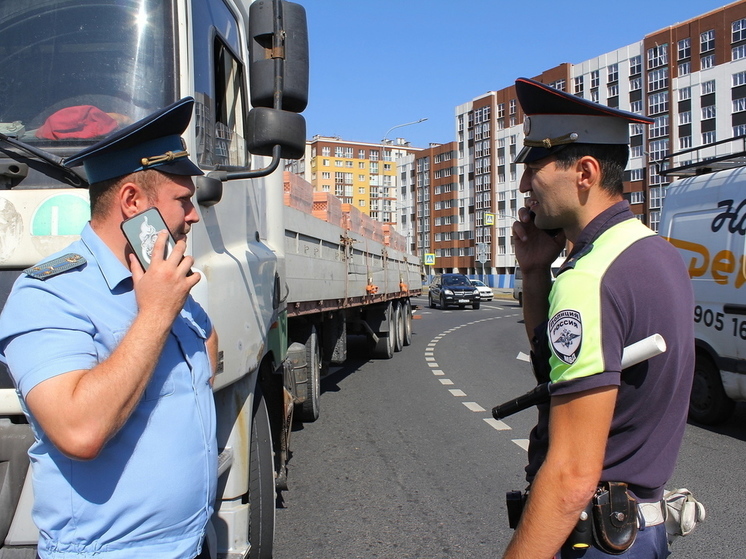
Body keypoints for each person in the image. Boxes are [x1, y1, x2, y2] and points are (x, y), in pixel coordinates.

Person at [0, 97, 218, 558]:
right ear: (133, 202)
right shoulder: (48, 294)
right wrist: (156, 313)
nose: (194, 215)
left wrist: (167, 299)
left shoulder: (162, 278)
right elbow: (80, 431)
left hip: (189, 543)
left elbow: (206, 365)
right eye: (182, 200)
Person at [503, 78, 694, 558]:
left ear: (585, 172)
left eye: (536, 167)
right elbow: (555, 365)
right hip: (641, 531)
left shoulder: (589, 278)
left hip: (599, 541)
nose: (525, 184)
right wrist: (533, 273)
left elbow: (570, 476)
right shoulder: (656, 252)